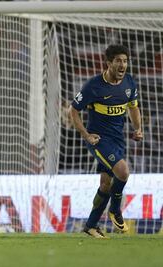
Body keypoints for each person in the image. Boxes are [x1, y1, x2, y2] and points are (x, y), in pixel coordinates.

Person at [69, 44, 143, 238]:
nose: (122, 65)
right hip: (99, 140)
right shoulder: (94, 86)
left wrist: (138, 129)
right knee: (123, 172)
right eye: (118, 61)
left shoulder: (128, 83)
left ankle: (91, 226)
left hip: (118, 140)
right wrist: (86, 135)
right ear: (109, 63)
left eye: (125, 61)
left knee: (106, 185)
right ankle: (115, 210)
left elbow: (133, 107)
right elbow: (73, 110)